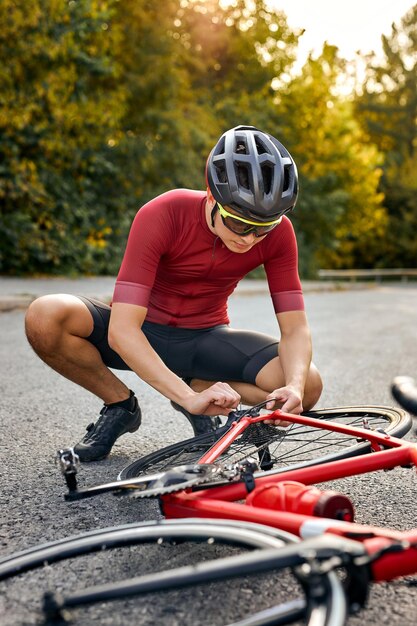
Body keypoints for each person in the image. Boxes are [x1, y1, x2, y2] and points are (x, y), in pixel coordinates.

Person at [25, 125, 323, 462]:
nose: (250, 239)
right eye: (239, 223)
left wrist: (295, 387)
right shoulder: (163, 212)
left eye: (263, 228)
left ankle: (204, 392)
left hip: (205, 340)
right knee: (44, 315)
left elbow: (295, 328)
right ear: (212, 195)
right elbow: (122, 332)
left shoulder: (279, 235)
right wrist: (183, 396)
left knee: (309, 381)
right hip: (141, 330)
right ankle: (120, 405)